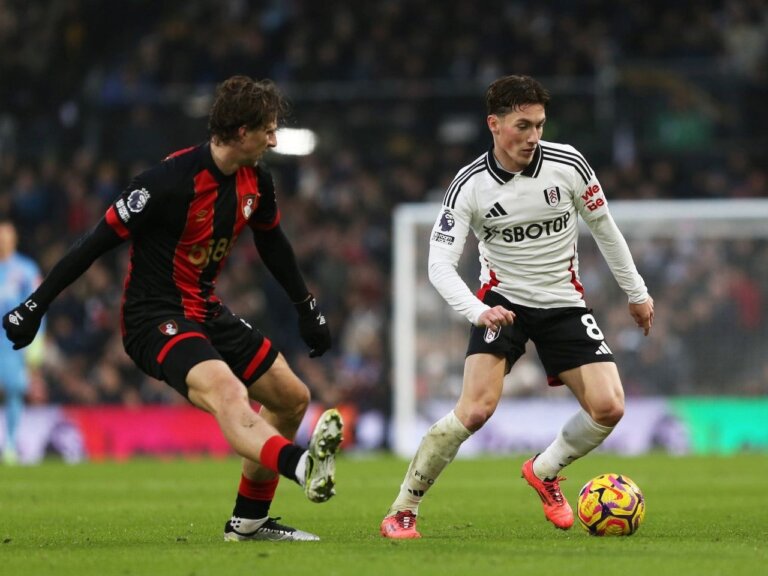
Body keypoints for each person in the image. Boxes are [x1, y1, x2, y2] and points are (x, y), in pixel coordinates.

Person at [3, 75, 343, 542]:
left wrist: (307, 308)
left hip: (205, 309)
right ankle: (301, 464)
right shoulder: (166, 182)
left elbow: (274, 245)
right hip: (152, 317)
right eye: (267, 129)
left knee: (291, 397)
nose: (274, 139)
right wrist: (35, 305)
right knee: (228, 394)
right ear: (241, 132)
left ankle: (248, 523)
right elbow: (93, 243)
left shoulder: (257, 181)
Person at [380, 75, 654, 539]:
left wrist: (637, 292)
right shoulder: (469, 186)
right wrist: (476, 310)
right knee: (474, 411)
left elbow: (606, 230)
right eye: (522, 126)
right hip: (501, 302)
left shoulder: (569, 165)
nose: (533, 137)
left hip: (564, 302)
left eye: (540, 125)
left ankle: (544, 472)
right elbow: (439, 264)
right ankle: (403, 509)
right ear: (494, 124)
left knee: (609, 408)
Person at [0, 216, 44, 464]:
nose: (3, 240)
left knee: (15, 392)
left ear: (14, 238)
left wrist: (35, 346)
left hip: (13, 344)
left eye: (6, 235)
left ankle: (9, 445)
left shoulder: (26, 270)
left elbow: (39, 307)